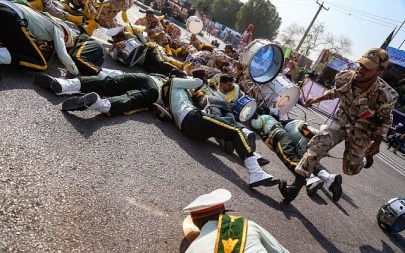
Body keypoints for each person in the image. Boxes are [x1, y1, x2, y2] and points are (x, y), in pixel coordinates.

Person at [160, 69, 279, 188]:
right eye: (184, 78)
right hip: (192, 118)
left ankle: (249, 152)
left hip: (187, 128)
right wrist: (194, 78)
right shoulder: (174, 81)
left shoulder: (167, 92)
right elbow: (197, 82)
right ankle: (255, 172)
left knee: (224, 128)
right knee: (234, 131)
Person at [295, 48, 398, 179]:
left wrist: (377, 142)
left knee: (350, 169)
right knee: (319, 144)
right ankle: (299, 179)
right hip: (342, 120)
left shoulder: (386, 95)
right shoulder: (345, 77)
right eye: (361, 64)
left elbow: (385, 119)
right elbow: (336, 91)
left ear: (379, 71)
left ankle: (364, 160)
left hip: (363, 131)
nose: (361, 69)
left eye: (367, 68)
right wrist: (317, 99)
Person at [251, 114, 343, 202]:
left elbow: (304, 130)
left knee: (290, 157)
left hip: (300, 136)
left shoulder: (281, 123)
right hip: (301, 138)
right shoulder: (285, 122)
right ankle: (329, 178)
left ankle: (311, 178)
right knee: (308, 158)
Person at [0, 0, 104, 76]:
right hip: (10, 15)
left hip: (6, 6)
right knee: (41, 63)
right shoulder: (59, 30)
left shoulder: (44, 18)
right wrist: (75, 72)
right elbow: (63, 55)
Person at [183, 188, 290, 252]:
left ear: (195, 222)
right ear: (222, 215)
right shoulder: (247, 226)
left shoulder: (192, 249)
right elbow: (279, 251)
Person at [34, 70, 169, 116]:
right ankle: (98, 103)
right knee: (129, 99)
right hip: (154, 92)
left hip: (146, 77)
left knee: (108, 81)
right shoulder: (185, 93)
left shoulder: (168, 77)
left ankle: (64, 84)